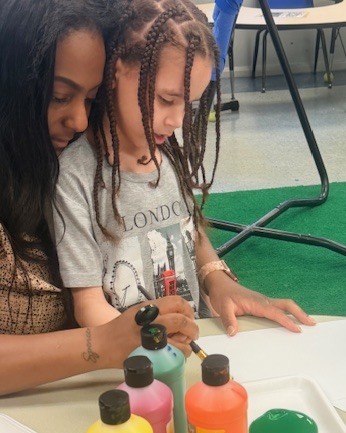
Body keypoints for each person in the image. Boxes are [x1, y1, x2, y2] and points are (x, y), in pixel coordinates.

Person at [51, 0, 316, 339]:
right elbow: (88, 305)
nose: (176, 121)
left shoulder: (163, 151)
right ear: (117, 70)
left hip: (196, 340)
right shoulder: (74, 177)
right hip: (138, 364)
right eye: (166, 99)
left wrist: (218, 279)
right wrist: (153, 344)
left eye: (188, 104)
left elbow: (186, 227)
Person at [0, 0, 198, 396]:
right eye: (58, 96)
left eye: (91, 100)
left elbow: (173, 212)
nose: (80, 122)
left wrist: (213, 272)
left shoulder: (62, 154)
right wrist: (102, 344)